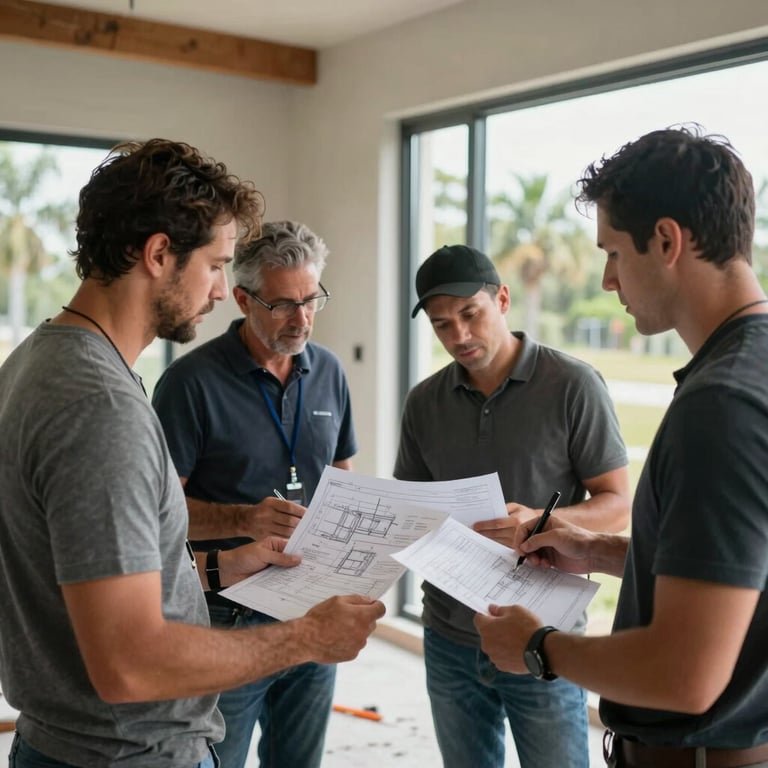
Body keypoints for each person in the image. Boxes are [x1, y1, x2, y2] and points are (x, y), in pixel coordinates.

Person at [0, 139, 384, 768]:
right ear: (158, 254)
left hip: (69, 738)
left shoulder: (39, 362)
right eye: (214, 265)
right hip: (131, 751)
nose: (215, 292)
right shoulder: (101, 408)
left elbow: (97, 576)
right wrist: (307, 637)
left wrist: (221, 570)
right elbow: (130, 662)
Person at [475, 126, 768, 768]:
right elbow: (743, 568)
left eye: (613, 252)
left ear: (666, 241)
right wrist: (597, 550)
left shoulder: (722, 405)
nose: (608, 279)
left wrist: (538, 647)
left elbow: (684, 675)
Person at [394, 243, 631, 768]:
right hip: (450, 636)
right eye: (441, 325)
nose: (458, 335)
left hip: (542, 636)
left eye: (470, 314)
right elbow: (410, 508)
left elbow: (617, 503)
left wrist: (544, 521)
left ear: (502, 299)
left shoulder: (572, 384)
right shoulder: (424, 403)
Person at [152, 220, 357, 768]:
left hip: (310, 607)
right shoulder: (189, 384)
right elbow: (160, 520)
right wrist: (247, 518)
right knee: (217, 759)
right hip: (225, 616)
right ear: (242, 299)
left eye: (312, 299)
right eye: (284, 304)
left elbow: (342, 479)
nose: (302, 317)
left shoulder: (331, 372)